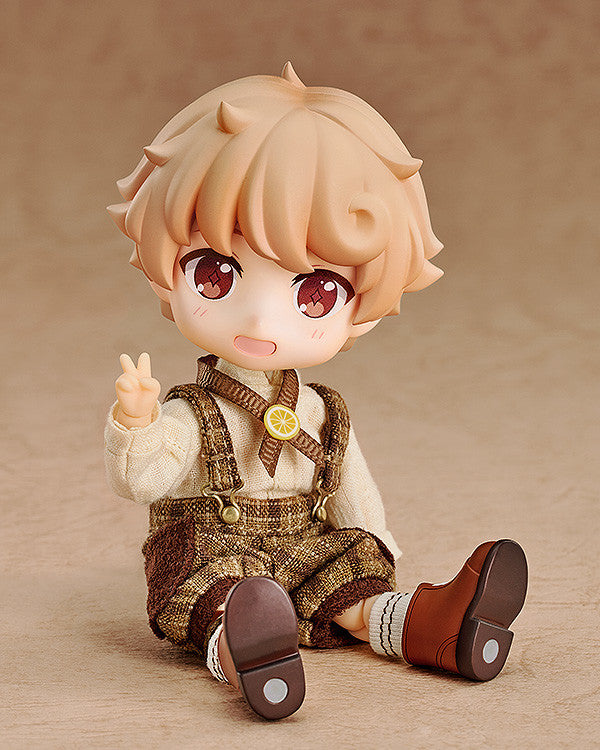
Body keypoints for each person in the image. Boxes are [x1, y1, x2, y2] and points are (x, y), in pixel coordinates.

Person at [105, 63, 527, 720]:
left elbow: (352, 486)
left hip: (304, 543)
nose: (260, 320)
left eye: (315, 293)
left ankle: (430, 626)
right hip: (213, 549)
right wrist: (135, 423)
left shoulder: (322, 411)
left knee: (348, 576)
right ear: (167, 271)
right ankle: (247, 652)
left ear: (361, 304)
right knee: (222, 596)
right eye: (215, 274)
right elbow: (146, 480)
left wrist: (374, 543)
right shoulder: (191, 412)